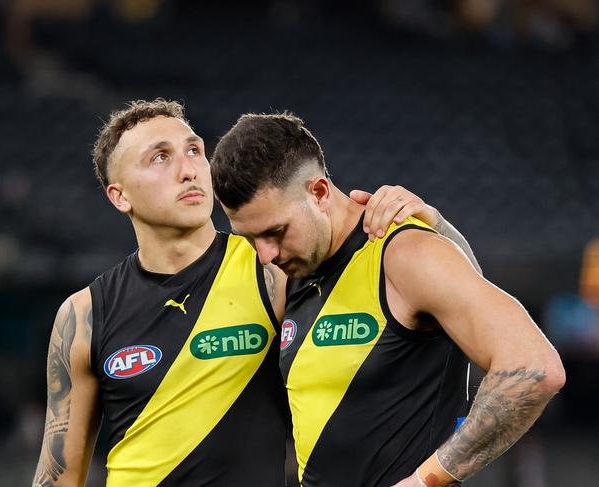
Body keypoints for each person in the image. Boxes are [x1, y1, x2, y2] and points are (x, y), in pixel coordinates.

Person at [32, 99, 465, 486]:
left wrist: (437, 226)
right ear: (118, 195)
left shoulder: (276, 269)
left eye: (194, 150)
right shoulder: (85, 314)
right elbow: (58, 476)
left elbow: (457, 309)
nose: (189, 169)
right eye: (160, 158)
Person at [211, 112, 566, 487]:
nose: (265, 253)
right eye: (250, 238)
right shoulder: (292, 270)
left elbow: (535, 368)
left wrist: (424, 481)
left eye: (276, 232)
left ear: (318, 192)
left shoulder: (403, 253)